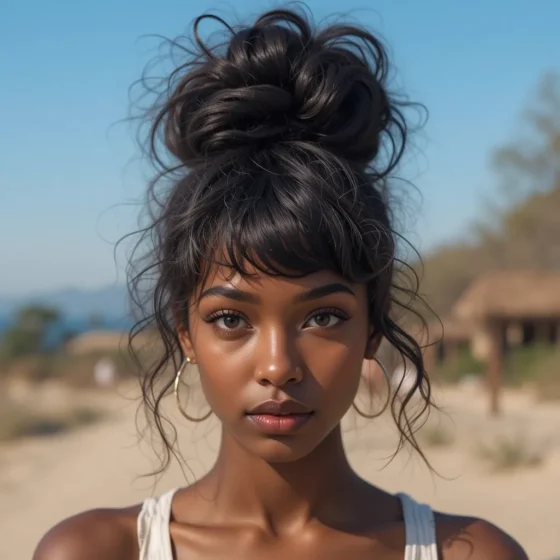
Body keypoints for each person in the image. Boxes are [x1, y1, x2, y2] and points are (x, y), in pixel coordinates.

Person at [33, 8, 528, 560]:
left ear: (372, 328)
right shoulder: (94, 551)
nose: (278, 366)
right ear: (185, 334)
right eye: (231, 319)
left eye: (323, 317)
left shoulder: (470, 552)